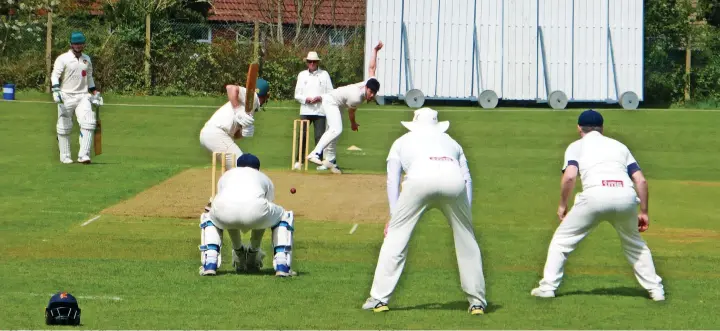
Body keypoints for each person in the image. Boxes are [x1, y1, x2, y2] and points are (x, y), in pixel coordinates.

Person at [362, 108, 488, 315]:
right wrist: (466, 214)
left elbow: (393, 179)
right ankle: (477, 302)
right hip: (454, 182)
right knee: (467, 241)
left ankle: (378, 299)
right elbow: (467, 178)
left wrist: (393, 217)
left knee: (396, 238)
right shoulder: (452, 142)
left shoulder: (401, 141)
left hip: (418, 181)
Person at [530, 109, 665, 301]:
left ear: (579, 128)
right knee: (635, 245)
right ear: (602, 128)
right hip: (625, 196)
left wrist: (562, 205)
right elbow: (640, 181)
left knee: (561, 241)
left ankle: (548, 287)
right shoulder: (619, 146)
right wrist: (644, 211)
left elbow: (569, 176)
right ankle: (656, 290)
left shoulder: (577, 146)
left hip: (594, 195)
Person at [199, 154, 296, 277]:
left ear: (237, 166)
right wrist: (254, 249)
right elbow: (264, 213)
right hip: (257, 210)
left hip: (224, 209)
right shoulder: (263, 177)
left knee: (210, 216)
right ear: (258, 169)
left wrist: (238, 249)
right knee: (283, 215)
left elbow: (231, 213)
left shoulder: (227, 175)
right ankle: (282, 264)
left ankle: (210, 262)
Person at [305, 41, 385, 174]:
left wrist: (375, 51)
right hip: (331, 101)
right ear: (366, 88)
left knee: (334, 133)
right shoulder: (357, 97)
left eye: (373, 93)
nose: (371, 95)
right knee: (337, 129)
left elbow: (372, 68)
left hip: (339, 103)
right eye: (370, 92)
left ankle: (330, 161)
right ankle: (315, 153)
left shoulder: (370, 81)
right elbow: (351, 111)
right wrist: (353, 124)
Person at [51, 31, 103, 164]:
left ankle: (84, 155)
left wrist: (95, 92)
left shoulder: (87, 59)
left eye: (80, 43)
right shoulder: (63, 58)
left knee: (89, 122)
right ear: (71, 44)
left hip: (83, 96)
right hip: (66, 95)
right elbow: (55, 75)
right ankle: (65, 156)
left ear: (84, 44)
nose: (78, 46)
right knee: (64, 127)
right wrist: (56, 90)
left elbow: (89, 78)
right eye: (75, 43)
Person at [199, 79, 270, 169]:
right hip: (217, 134)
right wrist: (237, 110)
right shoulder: (253, 97)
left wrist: (243, 132)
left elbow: (236, 135)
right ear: (266, 95)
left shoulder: (250, 105)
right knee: (244, 167)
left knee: (233, 169)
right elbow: (230, 88)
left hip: (211, 134)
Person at [293, 51, 336, 171]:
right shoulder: (302, 75)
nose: (312, 63)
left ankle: (319, 161)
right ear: (307, 63)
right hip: (306, 109)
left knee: (320, 137)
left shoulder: (324, 74)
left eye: (314, 62)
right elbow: (297, 94)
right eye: (309, 61)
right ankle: (299, 161)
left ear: (317, 62)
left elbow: (330, 92)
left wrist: (320, 98)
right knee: (302, 136)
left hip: (320, 110)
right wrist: (306, 99)